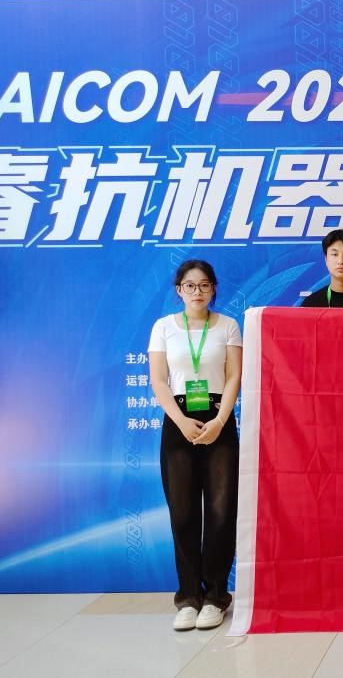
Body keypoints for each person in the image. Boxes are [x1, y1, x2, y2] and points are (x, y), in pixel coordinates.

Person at [148, 260, 242, 631]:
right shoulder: (163, 327)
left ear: (214, 288)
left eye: (204, 285)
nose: (197, 291)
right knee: (183, 512)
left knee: (221, 510)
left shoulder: (228, 326)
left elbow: (234, 376)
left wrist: (219, 421)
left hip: (219, 419)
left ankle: (216, 596)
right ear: (179, 290)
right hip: (179, 422)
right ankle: (188, 596)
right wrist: (181, 420)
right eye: (190, 285)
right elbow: (159, 381)